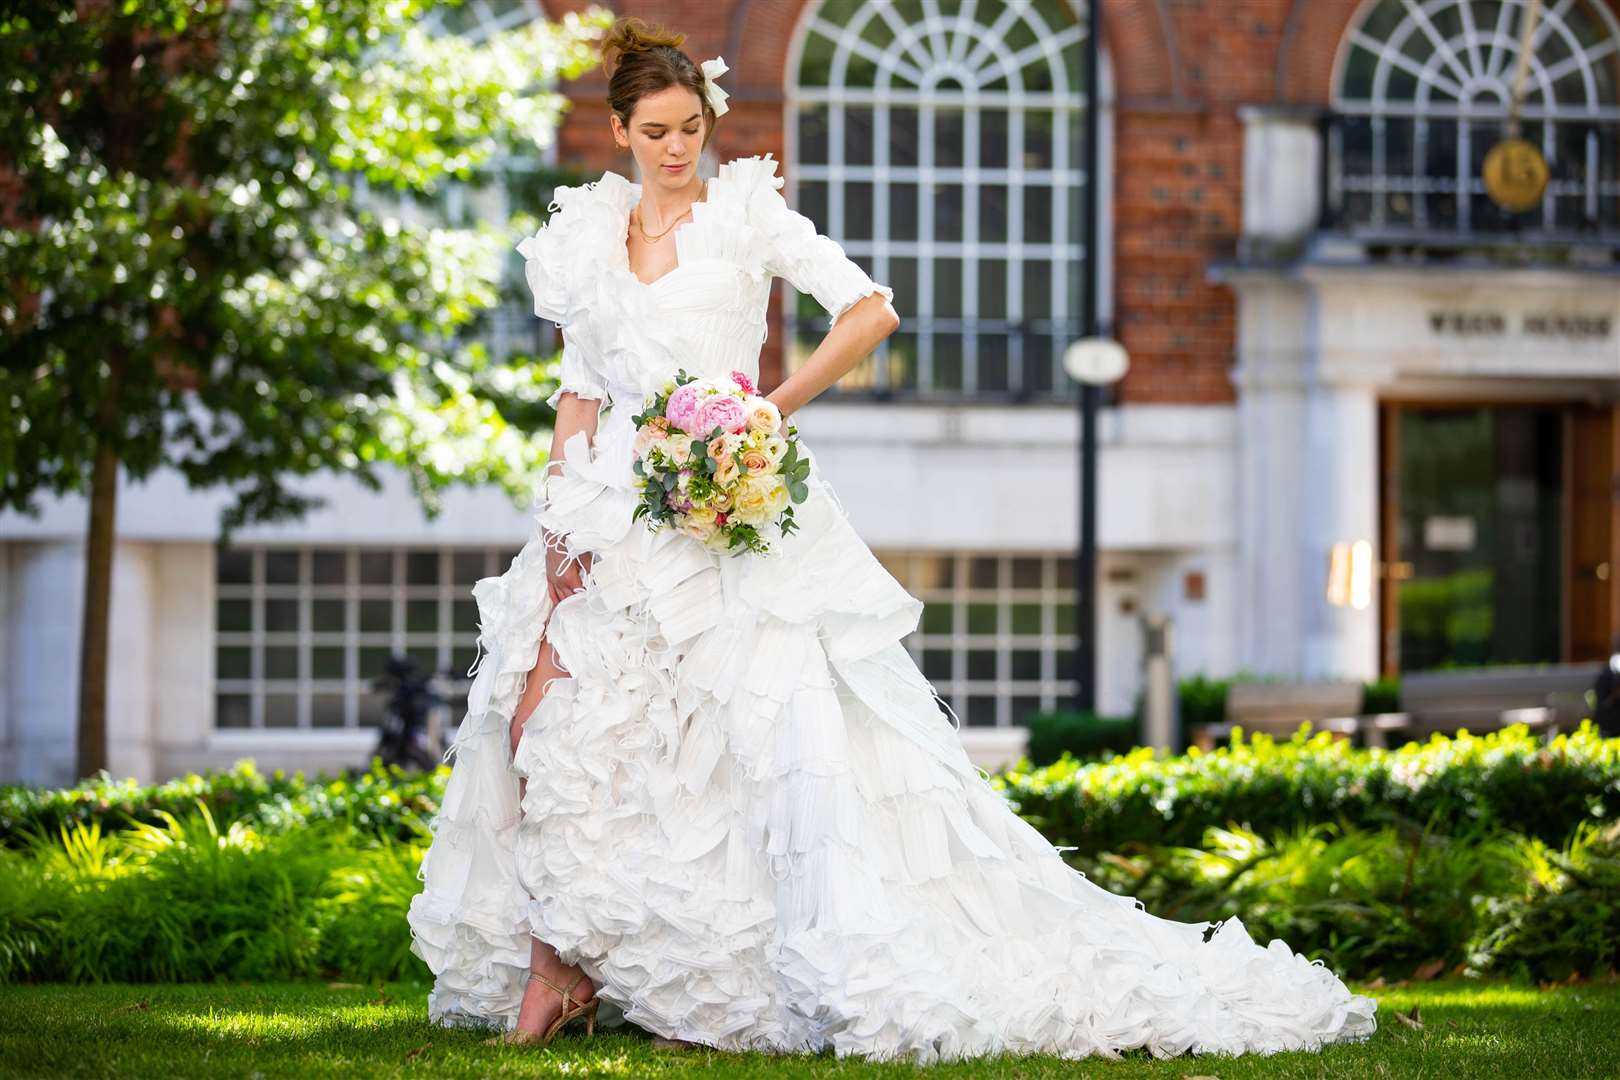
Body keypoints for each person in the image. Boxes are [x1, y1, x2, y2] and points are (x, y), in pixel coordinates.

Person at [405, 15, 1378, 1064]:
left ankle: (636, 968)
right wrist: (558, 514)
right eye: (656, 131)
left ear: (710, 122)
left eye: (691, 126)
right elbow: (577, 390)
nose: (677, 148)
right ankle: (566, 956)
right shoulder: (587, 238)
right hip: (605, 511)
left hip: (728, 509)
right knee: (542, 716)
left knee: (754, 744)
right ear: (621, 132)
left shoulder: (747, 217)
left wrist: (760, 411)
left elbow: (870, 312)